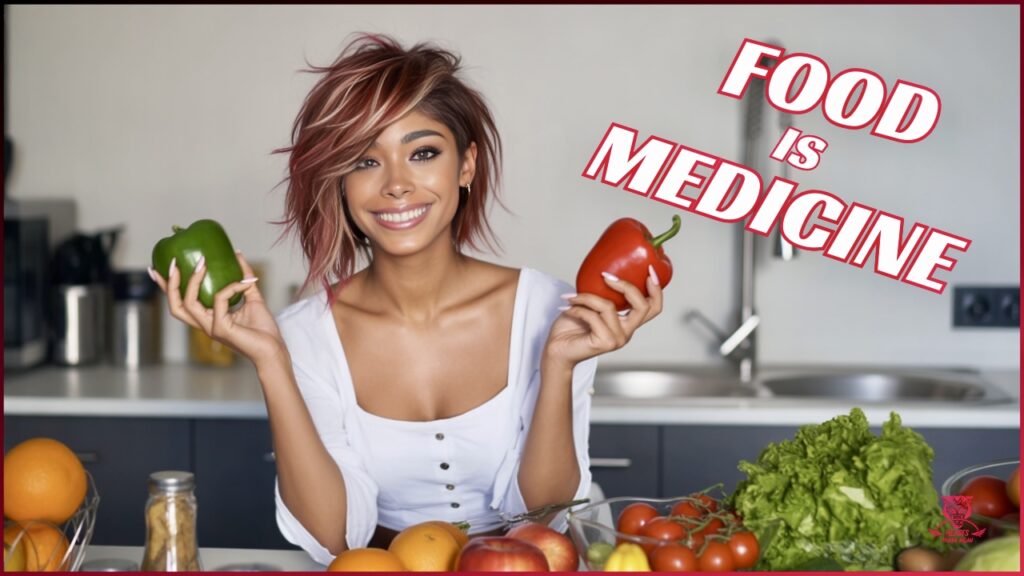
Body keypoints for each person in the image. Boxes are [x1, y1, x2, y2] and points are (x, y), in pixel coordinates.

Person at [148, 33, 664, 565]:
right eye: (364, 161)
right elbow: (333, 537)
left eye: (422, 153)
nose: (396, 184)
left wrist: (558, 365)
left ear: (466, 165)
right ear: (339, 183)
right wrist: (271, 360)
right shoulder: (304, 334)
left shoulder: (550, 310)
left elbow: (543, 515)